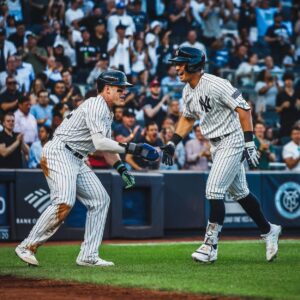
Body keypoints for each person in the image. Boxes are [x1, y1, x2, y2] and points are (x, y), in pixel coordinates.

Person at [15, 70, 159, 267]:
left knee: (100, 200)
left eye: (124, 88)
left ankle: (88, 255)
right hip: (60, 152)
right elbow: (99, 143)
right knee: (64, 200)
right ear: (107, 89)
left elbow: (106, 147)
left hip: (76, 158)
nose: (124, 92)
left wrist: (121, 168)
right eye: (120, 88)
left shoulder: (106, 111)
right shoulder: (96, 105)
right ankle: (27, 246)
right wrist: (135, 148)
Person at [161, 46, 281, 263]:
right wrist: (173, 142)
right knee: (241, 193)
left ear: (195, 65)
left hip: (232, 138)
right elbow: (188, 118)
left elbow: (244, 109)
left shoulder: (216, 84)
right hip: (216, 143)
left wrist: (249, 142)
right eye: (176, 63)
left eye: (181, 63)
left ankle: (210, 246)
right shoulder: (188, 90)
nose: (177, 67)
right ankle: (269, 229)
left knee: (214, 190)